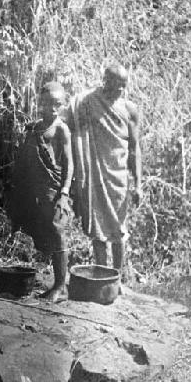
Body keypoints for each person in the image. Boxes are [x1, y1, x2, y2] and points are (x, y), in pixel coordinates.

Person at [67, 63, 142, 281]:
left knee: (118, 231)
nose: (120, 89)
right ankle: (101, 274)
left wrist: (138, 183)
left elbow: (134, 148)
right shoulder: (88, 102)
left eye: (124, 85)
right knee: (97, 228)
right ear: (105, 80)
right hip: (94, 175)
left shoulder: (130, 110)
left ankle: (116, 278)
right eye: (116, 84)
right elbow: (69, 121)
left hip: (118, 178)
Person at [7, 81, 74, 303]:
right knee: (44, 230)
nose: (52, 109)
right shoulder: (35, 127)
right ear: (40, 103)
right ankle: (55, 281)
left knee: (57, 232)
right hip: (35, 189)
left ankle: (60, 287)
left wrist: (64, 192)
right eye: (47, 104)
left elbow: (69, 164)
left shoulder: (61, 129)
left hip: (53, 189)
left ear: (63, 105)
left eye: (57, 104)